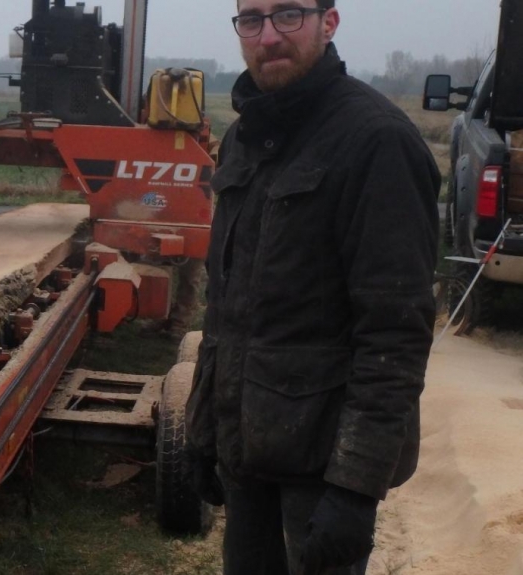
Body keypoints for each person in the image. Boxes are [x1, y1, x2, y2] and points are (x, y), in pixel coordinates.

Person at [183, 1, 440, 574]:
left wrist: (354, 489)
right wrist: (204, 429)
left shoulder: (376, 142)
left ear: (329, 22)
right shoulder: (246, 136)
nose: (268, 36)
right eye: (252, 20)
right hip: (247, 455)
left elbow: (395, 333)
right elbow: (226, 307)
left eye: (288, 15)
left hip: (321, 475)